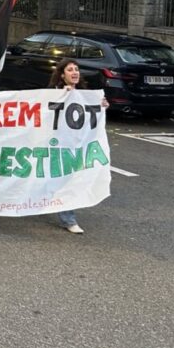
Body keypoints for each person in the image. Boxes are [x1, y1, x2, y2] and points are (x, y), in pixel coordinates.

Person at [49, 58, 109, 235]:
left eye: (76, 69)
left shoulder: (85, 94)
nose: (75, 72)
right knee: (54, 180)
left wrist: (102, 105)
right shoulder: (53, 92)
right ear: (62, 75)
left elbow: (91, 116)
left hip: (75, 146)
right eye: (70, 70)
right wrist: (62, 95)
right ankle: (62, 215)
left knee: (69, 180)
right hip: (54, 146)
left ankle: (68, 218)